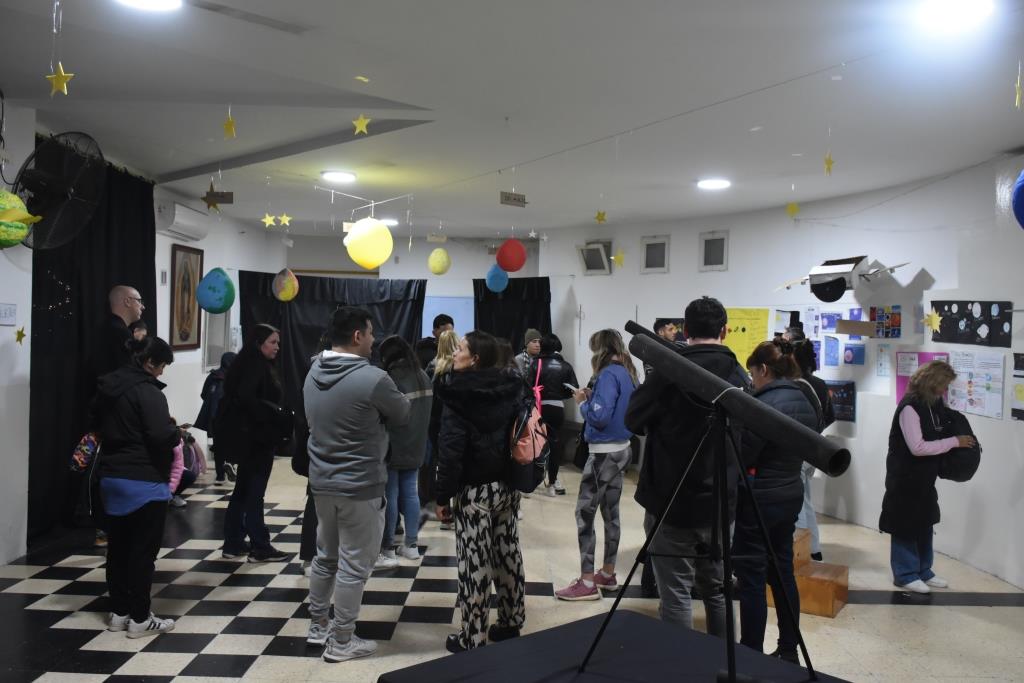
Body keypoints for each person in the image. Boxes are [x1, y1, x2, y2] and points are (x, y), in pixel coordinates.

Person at [627, 296, 750, 634]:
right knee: (718, 591)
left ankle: (679, 667)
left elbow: (633, 418)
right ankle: (725, 665)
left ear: (684, 329)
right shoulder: (740, 376)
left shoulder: (669, 371)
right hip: (721, 504)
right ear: (724, 330)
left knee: (676, 593)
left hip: (671, 500)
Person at [304, 306, 410, 663]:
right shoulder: (374, 378)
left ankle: (318, 626)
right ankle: (342, 641)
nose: (374, 339)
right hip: (360, 484)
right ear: (356, 337)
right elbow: (402, 414)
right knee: (353, 565)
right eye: (370, 332)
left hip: (321, 482)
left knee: (325, 558)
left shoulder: (313, 371)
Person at [434, 331, 526, 652]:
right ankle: (511, 621)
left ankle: (472, 638)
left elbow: (450, 451)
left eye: (460, 348)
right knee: (507, 552)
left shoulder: (457, 394)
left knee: (474, 564)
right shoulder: (510, 386)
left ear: (474, 359)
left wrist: (442, 495)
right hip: (507, 486)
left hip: (474, 493)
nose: (454, 352)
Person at [732, 340, 819, 664]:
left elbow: (745, 453)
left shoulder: (762, 404)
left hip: (759, 498)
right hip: (789, 493)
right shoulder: (804, 399)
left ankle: (750, 654)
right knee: (783, 572)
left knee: (752, 577)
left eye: (753, 373)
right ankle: (788, 649)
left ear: (763, 370)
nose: (751, 380)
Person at [91, 336, 180, 638]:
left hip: (110, 478)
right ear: (149, 362)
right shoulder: (147, 392)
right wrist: (175, 433)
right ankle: (140, 618)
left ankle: (119, 613)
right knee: (143, 554)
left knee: (117, 550)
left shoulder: (107, 388)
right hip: (143, 481)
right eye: (162, 366)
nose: (162, 373)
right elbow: (158, 435)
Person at [879, 360, 975, 595]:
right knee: (905, 525)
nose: (945, 391)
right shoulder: (910, 407)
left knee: (925, 522)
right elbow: (918, 447)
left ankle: (923, 569)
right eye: (943, 385)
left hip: (924, 478)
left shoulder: (933, 404)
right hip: (904, 479)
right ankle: (905, 573)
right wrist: (955, 442)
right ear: (932, 383)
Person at [556, 329, 637, 601]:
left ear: (600, 350)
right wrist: (594, 397)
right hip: (622, 449)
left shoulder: (606, 375)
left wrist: (582, 403)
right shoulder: (626, 373)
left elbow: (599, 418)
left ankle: (588, 582)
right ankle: (608, 573)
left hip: (603, 453)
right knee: (611, 513)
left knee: (585, 515)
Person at [219, 324, 290, 563]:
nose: (277, 347)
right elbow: (248, 400)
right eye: (272, 342)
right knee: (254, 493)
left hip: (246, 438)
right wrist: (273, 417)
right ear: (259, 343)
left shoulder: (244, 363)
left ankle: (233, 542)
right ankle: (260, 546)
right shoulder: (256, 366)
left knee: (242, 490)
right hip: (257, 439)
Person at [375, 335, 433, 569]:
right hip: (417, 445)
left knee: (391, 494)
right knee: (410, 493)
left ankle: (388, 549)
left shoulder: (390, 379)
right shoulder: (423, 376)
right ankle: (411, 545)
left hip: (393, 445)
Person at [791, 339, 834, 561]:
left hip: (800, 450)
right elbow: (830, 415)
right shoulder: (819, 383)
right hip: (813, 447)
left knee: (799, 502)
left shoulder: (796, 385)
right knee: (806, 501)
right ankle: (814, 549)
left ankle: (803, 550)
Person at [526, 334, 579, 496]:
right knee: (555, 447)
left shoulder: (536, 363)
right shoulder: (566, 366)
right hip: (557, 409)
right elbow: (573, 390)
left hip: (538, 409)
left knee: (534, 445)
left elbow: (527, 387)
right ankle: (551, 485)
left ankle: (529, 484)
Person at [424, 329, 460, 527]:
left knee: (440, 468)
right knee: (456, 467)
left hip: (435, 423)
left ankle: (443, 512)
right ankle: (457, 510)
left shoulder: (432, 367)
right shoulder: (460, 368)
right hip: (454, 423)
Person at [195, 351, 237, 485]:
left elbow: (203, 394)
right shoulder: (235, 376)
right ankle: (230, 463)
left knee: (218, 445)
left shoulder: (213, 376)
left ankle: (220, 476)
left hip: (214, 417)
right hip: (230, 416)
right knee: (233, 442)